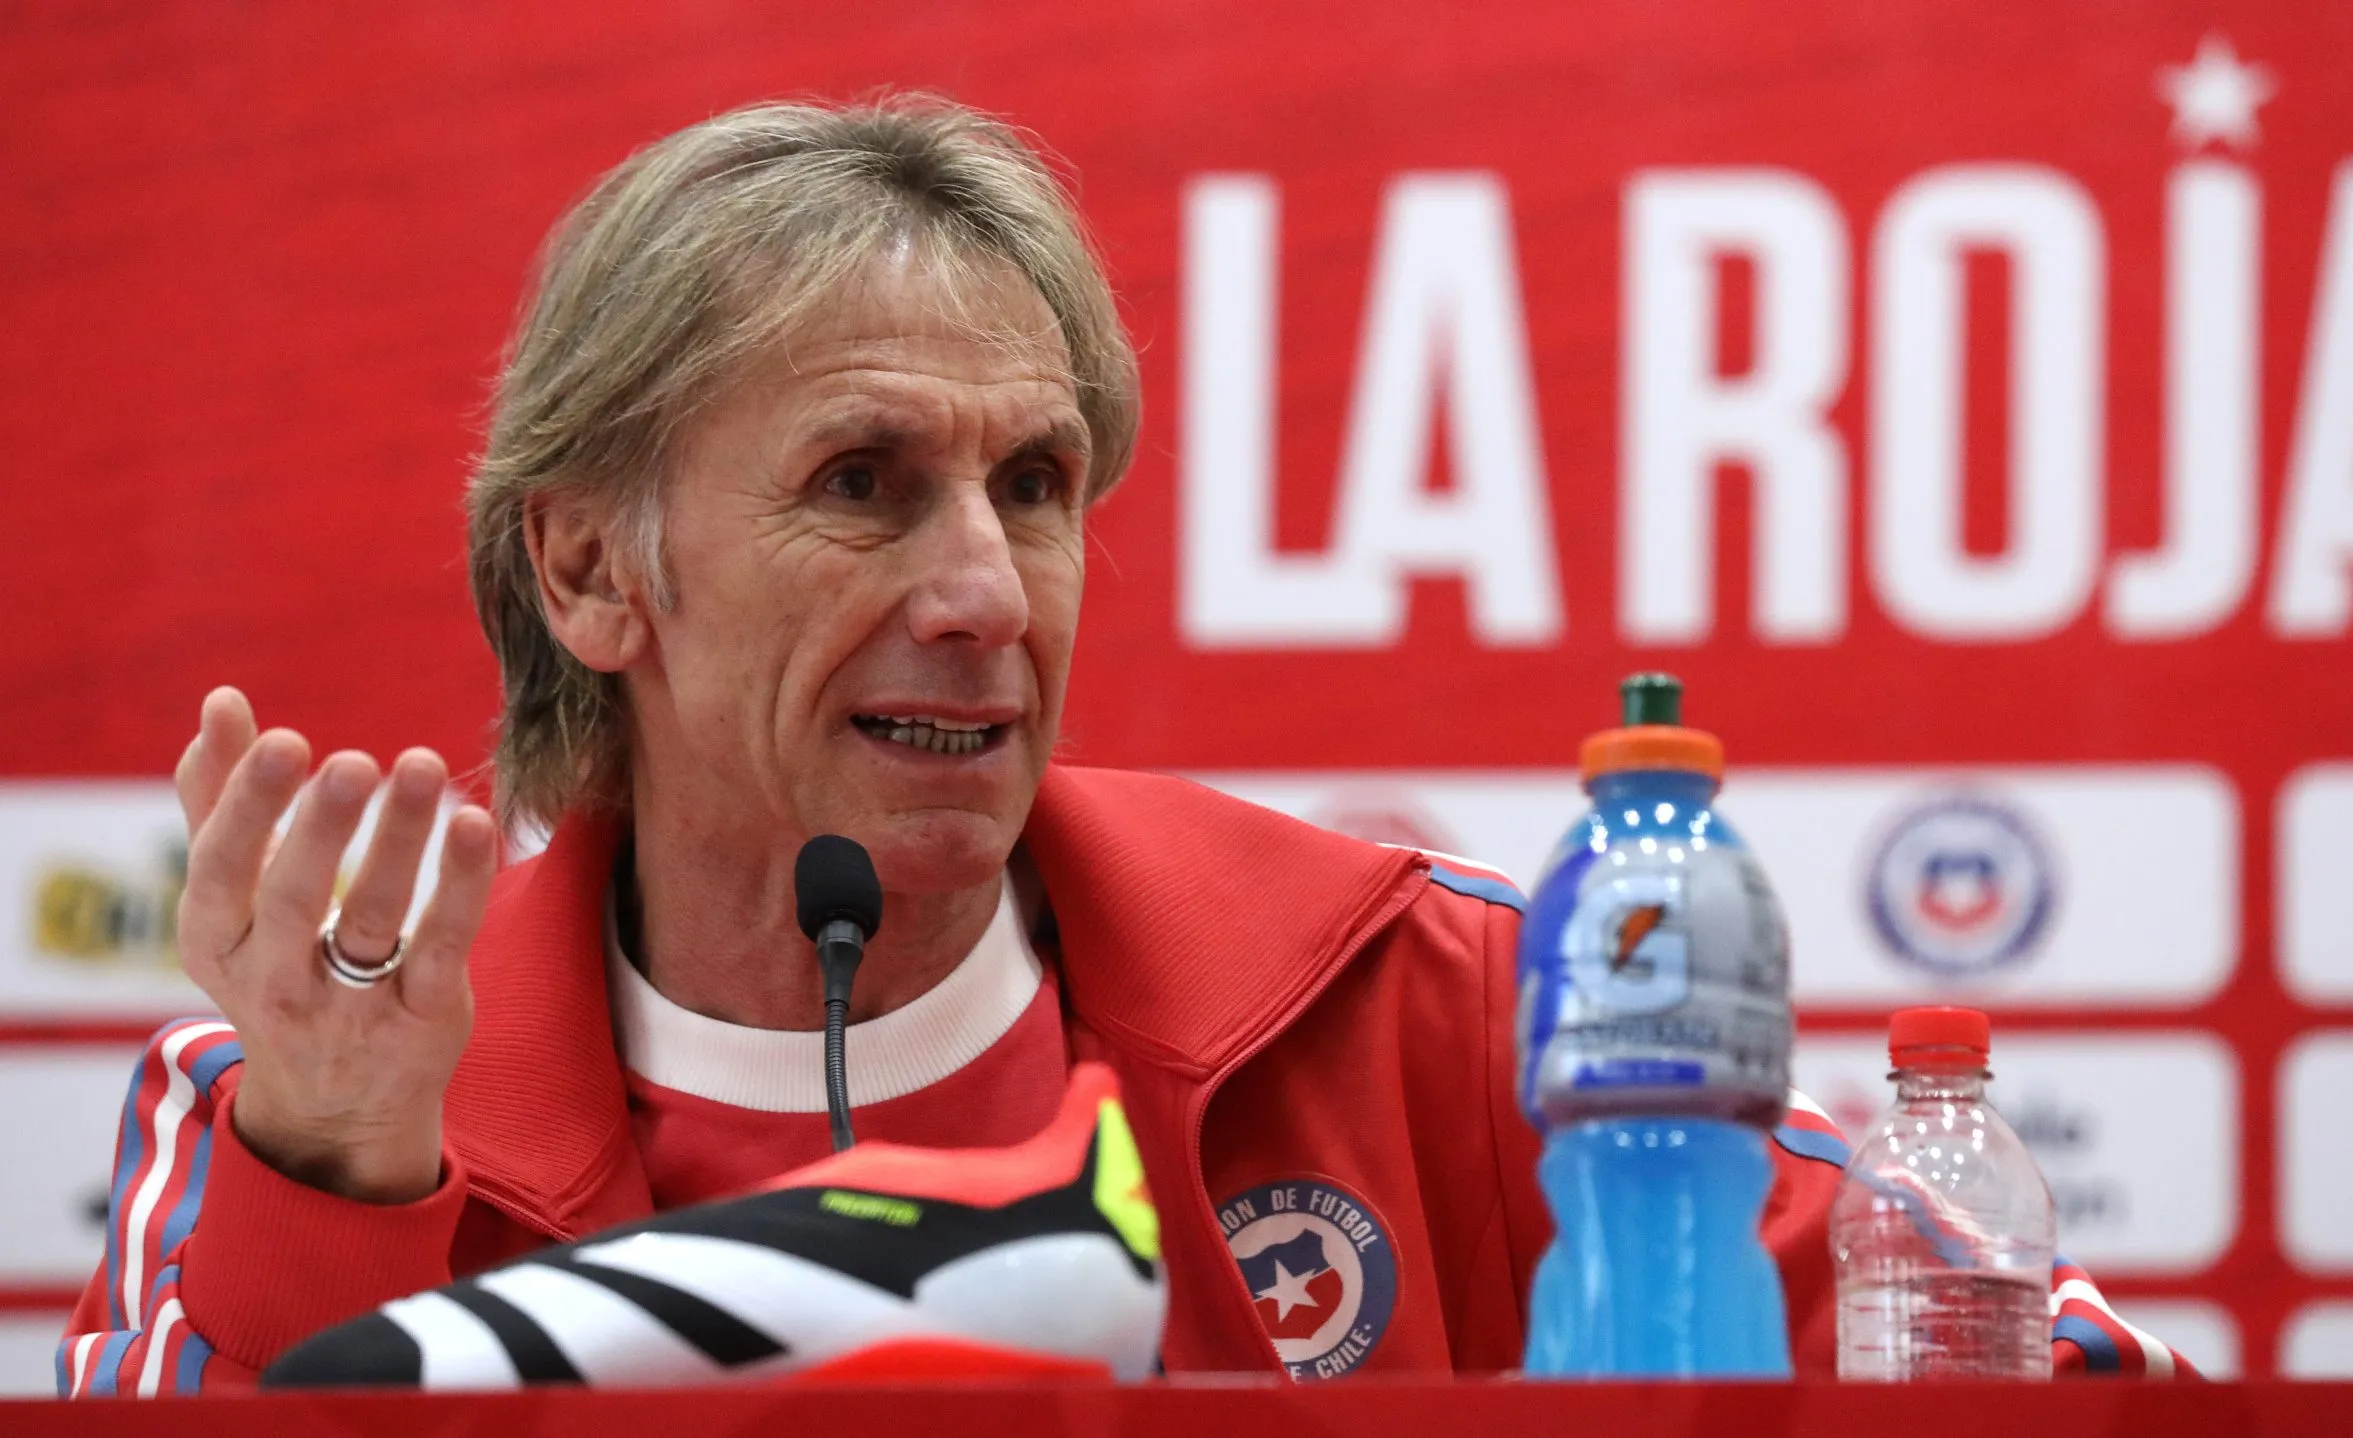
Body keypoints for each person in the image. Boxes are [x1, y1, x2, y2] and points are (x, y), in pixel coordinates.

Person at [58, 96, 2187, 1397]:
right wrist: (332, 1197)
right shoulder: (298, 1111)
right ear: (594, 567)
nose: (988, 586)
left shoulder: (1417, 1002)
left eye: (1040, 482)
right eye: (864, 481)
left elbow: (2077, 1374)